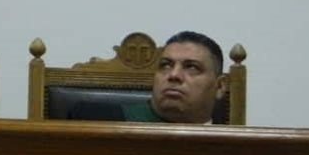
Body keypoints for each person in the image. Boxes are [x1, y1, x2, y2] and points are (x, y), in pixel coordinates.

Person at [69, 31, 229, 123]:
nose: (173, 75)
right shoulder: (92, 119)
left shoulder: (232, 148)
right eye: (165, 65)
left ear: (220, 86)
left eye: (191, 67)